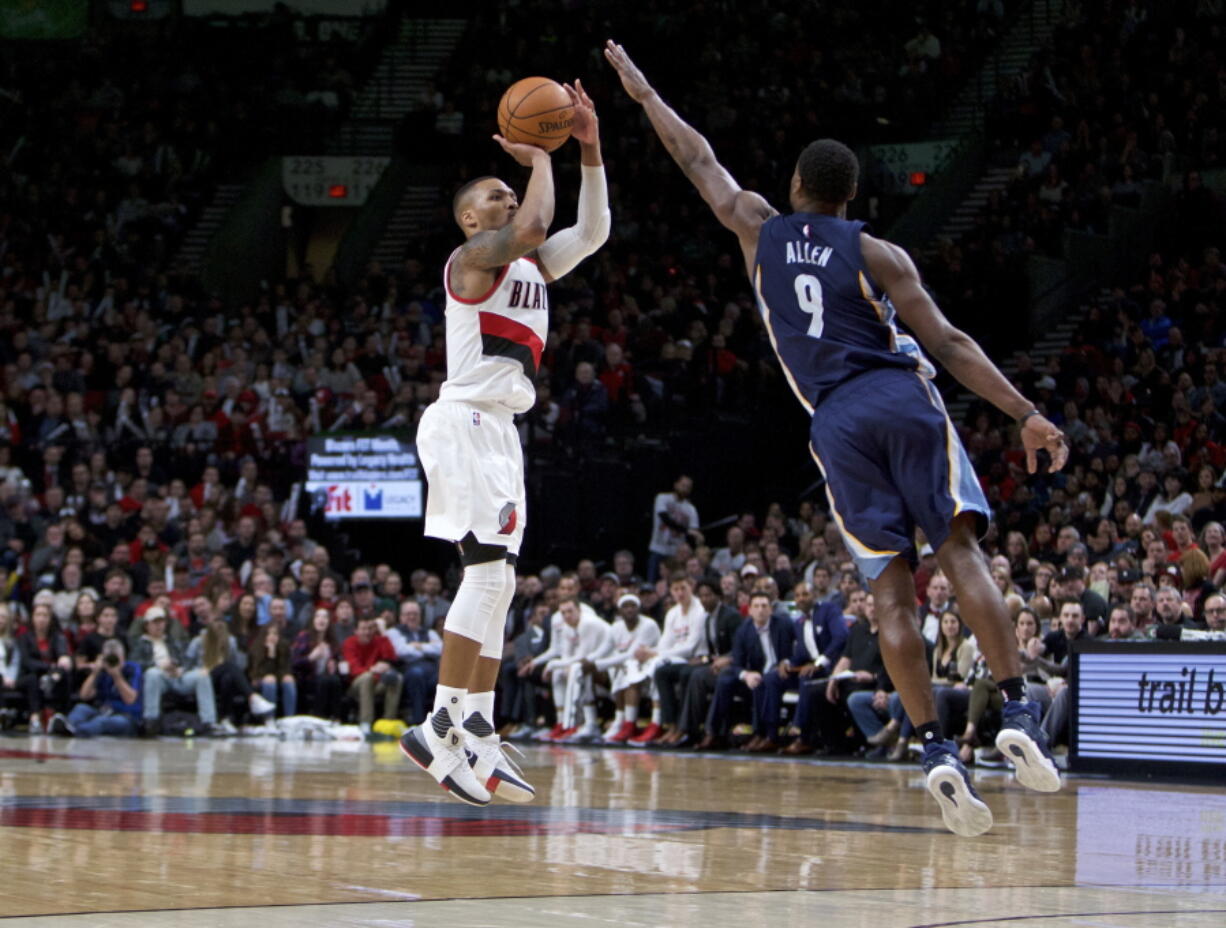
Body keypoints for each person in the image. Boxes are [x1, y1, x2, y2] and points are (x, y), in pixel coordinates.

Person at [605, 40, 1067, 836]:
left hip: (834, 421)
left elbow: (698, 159)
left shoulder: (758, 226)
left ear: (794, 189)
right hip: (900, 394)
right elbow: (952, 344)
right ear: (852, 197)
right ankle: (1017, 706)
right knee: (960, 555)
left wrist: (644, 94)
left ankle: (933, 752)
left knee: (890, 592)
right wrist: (1023, 409)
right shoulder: (876, 252)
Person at [401, 78, 609, 807]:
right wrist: (540, 156)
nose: (508, 198)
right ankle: (444, 723)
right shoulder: (471, 263)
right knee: (486, 578)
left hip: (500, 429)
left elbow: (589, 234)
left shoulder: (529, 265)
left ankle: (475, 725)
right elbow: (528, 227)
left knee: (502, 582)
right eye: (494, 193)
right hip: (465, 418)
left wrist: (587, 147)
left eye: (508, 188)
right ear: (467, 219)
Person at [55, 639, 142, 738]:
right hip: (102, 711)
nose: (112, 663)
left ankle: (77, 730)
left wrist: (117, 676)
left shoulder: (132, 669)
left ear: (123, 657)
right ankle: (68, 726)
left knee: (101, 721)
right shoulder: (103, 671)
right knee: (81, 708)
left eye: (115, 659)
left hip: (126, 716)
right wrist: (94, 673)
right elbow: (84, 695)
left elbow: (130, 699)